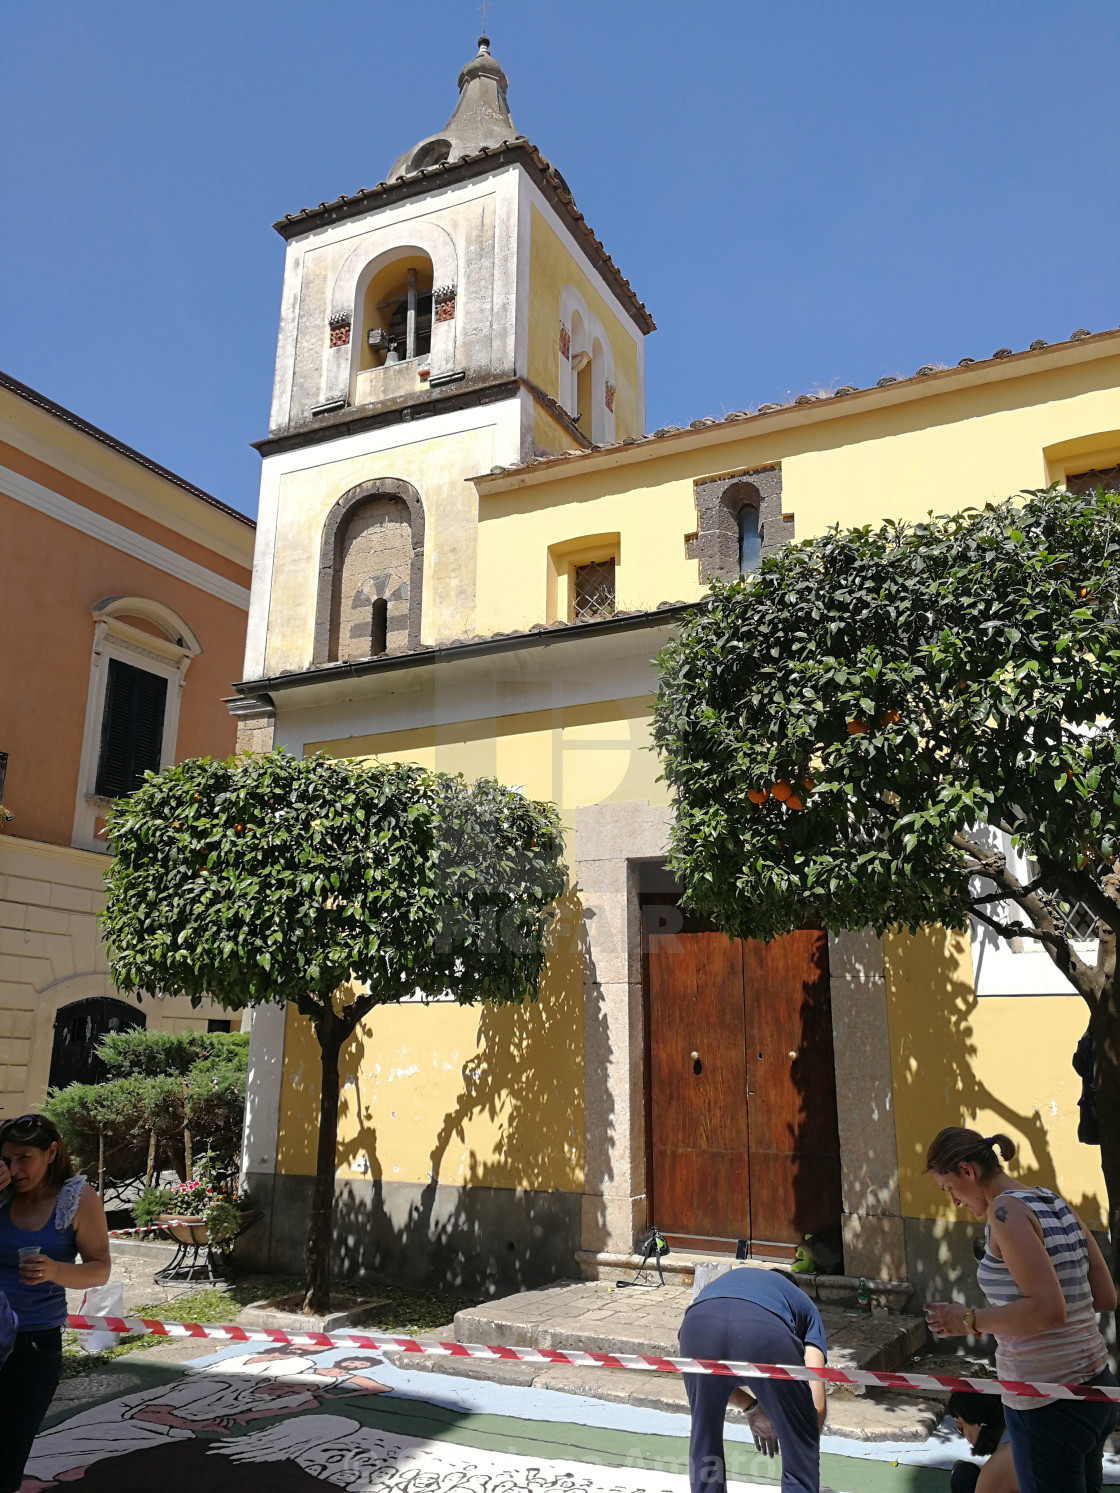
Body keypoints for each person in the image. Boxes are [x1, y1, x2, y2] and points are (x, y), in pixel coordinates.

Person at [924, 1126, 1117, 1493]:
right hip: (1096, 1391)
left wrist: (967, 1319)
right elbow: (1105, 1296)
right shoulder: (1054, 1201)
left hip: (1048, 1402)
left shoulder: (1004, 1211)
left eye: (949, 1189)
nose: (954, 1202)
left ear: (967, 1171)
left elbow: (1048, 1311)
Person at [0, 1112, 111, 1493]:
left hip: (32, 1345)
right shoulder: (1, 1193)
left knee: (6, 1455)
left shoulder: (77, 1199)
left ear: (50, 1152)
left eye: (23, 1158)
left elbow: (99, 1270)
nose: (14, 1169)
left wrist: (55, 1272)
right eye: (6, 1159)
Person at [678, 1266, 827, 1493]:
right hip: (764, 1330)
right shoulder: (804, 1304)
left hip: (698, 1324)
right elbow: (816, 1406)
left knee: (704, 1432)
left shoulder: (731, 1280)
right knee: (801, 1445)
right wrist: (796, 1433)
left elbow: (713, 1383)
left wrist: (752, 1407)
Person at [946, 1390, 1017, 1492]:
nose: (963, 1434)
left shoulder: (998, 1466)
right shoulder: (1021, 1432)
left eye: (960, 1426)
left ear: (977, 1424)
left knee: (963, 1474)